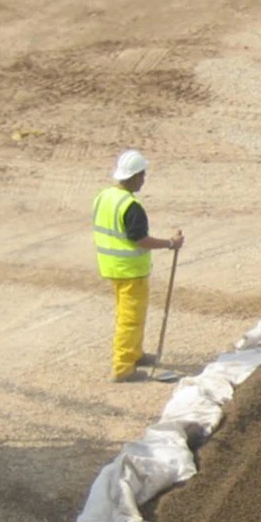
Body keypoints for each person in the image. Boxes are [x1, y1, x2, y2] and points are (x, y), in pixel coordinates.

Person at [92, 150, 183, 382]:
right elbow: (139, 239)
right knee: (130, 319)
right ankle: (123, 368)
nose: (143, 180)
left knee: (132, 314)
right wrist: (170, 244)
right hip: (130, 270)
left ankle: (135, 354)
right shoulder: (131, 206)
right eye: (142, 175)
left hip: (113, 267)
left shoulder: (104, 196)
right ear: (133, 176)